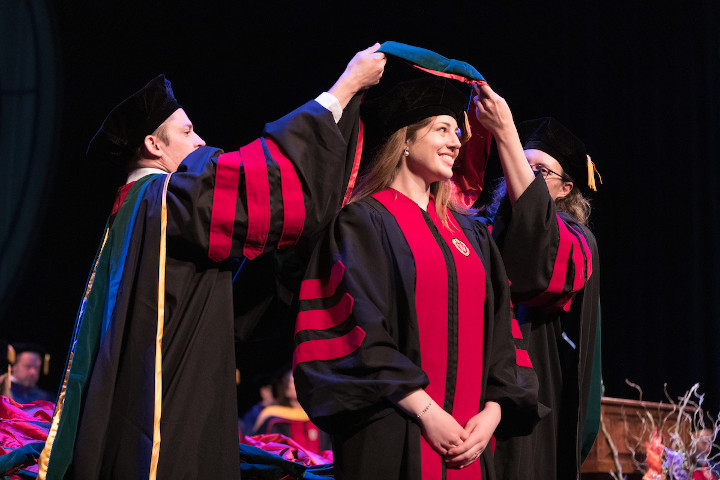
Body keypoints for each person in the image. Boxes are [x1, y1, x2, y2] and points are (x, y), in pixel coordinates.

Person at [37, 44, 386, 480]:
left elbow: (214, 298)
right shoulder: (163, 198)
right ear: (152, 144)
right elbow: (257, 182)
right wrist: (345, 87)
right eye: (187, 132)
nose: (201, 141)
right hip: (166, 415)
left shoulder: (131, 211)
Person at [293, 76, 539, 480]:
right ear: (405, 140)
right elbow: (357, 333)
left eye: (458, 133)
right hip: (393, 434)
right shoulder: (363, 223)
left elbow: (501, 335)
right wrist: (427, 412)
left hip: (471, 443)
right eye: (443, 129)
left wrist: (492, 414)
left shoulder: (472, 235)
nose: (457, 142)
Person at [472, 84, 602, 480]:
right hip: (468, 395)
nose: (523, 176)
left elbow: (537, 266)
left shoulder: (578, 242)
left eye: (539, 172)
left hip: (531, 404)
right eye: (518, 163)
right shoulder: (479, 227)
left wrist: (507, 134)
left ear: (566, 189)